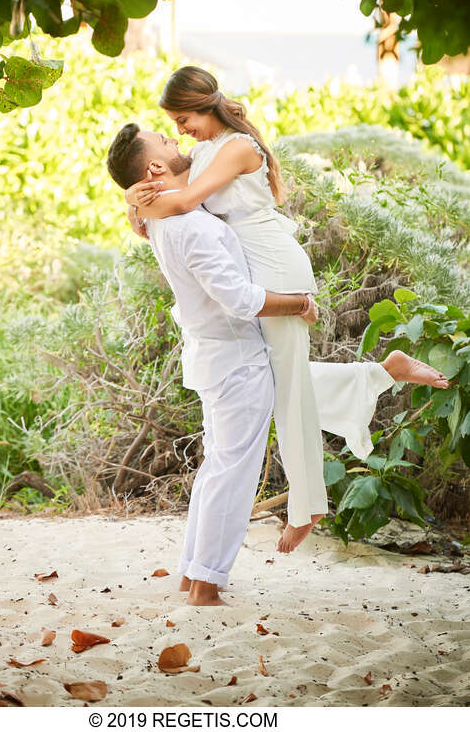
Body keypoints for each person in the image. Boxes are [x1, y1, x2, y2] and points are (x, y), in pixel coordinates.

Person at [123, 66, 449, 553]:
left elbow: (184, 198)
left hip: (273, 265)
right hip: (253, 269)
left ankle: (307, 505)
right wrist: (134, 199)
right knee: (273, 378)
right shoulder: (205, 151)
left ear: (203, 104)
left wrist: (136, 202)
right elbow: (165, 191)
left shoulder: (236, 147)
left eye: (181, 118)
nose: (178, 131)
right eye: (171, 123)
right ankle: (383, 373)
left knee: (289, 389)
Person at [106, 124, 319, 605]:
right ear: (155, 167)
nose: (175, 138)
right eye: (164, 139)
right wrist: (299, 304)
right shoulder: (191, 226)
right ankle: (205, 586)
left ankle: (192, 574)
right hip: (235, 360)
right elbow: (240, 299)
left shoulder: (166, 217)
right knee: (232, 474)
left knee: (217, 468)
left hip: (213, 357)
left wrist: (132, 205)